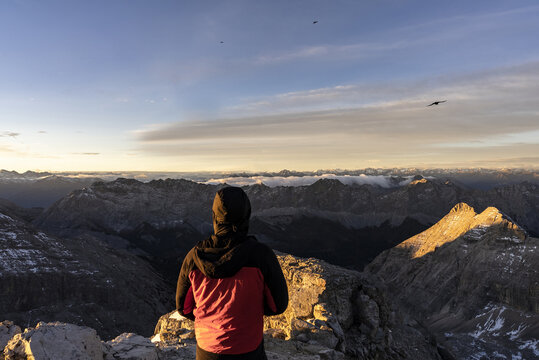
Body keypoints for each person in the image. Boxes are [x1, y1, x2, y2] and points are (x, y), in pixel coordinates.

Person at [176, 186, 289, 360]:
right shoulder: (261, 255)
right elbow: (277, 306)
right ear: (246, 216)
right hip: (248, 349)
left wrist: (210, 317)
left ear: (215, 217)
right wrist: (252, 309)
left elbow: (184, 308)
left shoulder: (194, 257)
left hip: (207, 350)